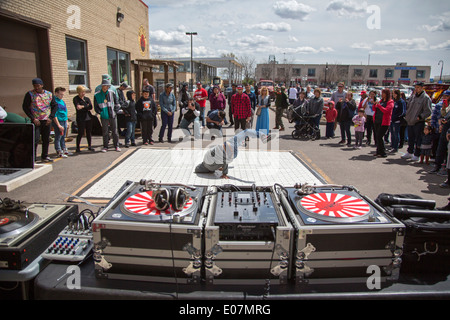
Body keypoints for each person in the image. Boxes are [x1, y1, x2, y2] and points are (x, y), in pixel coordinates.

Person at [194, 129, 271, 179]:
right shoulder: (206, 159)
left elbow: (223, 161)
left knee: (235, 146)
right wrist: (223, 171)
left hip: (231, 154)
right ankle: (263, 137)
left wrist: (224, 173)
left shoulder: (211, 167)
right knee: (246, 132)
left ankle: (241, 143)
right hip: (226, 145)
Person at [22, 78, 57, 162]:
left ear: (42, 85)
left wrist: (51, 117)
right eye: (34, 86)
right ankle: (32, 158)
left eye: (38, 86)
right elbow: (25, 107)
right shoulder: (30, 94)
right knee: (35, 140)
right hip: (36, 120)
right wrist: (33, 118)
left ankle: (44, 156)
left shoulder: (49, 94)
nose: (36, 88)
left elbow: (54, 106)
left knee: (46, 139)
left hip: (46, 120)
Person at [402, 82, 432, 161]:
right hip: (410, 120)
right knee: (410, 138)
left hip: (418, 122)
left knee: (418, 139)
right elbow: (408, 107)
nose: (416, 89)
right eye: (416, 87)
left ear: (422, 88)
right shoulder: (413, 97)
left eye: (418, 87)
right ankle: (410, 152)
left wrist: (420, 116)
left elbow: (428, 111)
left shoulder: (425, 98)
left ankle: (417, 154)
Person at [94, 79, 121, 153]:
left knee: (115, 131)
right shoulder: (97, 95)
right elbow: (96, 107)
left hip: (112, 115)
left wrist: (115, 111)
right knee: (105, 132)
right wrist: (101, 112)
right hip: (104, 116)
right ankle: (105, 146)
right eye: (104, 86)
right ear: (102, 86)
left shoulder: (112, 93)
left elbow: (117, 103)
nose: (106, 87)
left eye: (107, 86)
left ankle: (116, 145)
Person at [429, 90, 450, 174]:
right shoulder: (441, 105)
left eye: (447, 96)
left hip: (448, 129)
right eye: (444, 96)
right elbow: (443, 115)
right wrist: (444, 108)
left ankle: (445, 168)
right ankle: (437, 166)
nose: (444, 98)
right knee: (440, 148)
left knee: (447, 151)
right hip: (443, 128)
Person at [373, 89, 394, 158]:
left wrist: (379, 105)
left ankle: (383, 152)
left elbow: (386, 111)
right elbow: (374, 109)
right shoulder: (381, 101)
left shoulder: (390, 102)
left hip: (384, 122)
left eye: (383, 93)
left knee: (379, 136)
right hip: (377, 120)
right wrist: (375, 104)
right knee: (377, 137)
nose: (382, 94)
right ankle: (378, 151)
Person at [73, 85, 94, 153]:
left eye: (84, 92)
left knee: (89, 132)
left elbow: (90, 107)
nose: (83, 93)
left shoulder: (87, 99)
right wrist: (85, 106)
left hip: (88, 117)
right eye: (82, 92)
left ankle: (89, 146)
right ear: (78, 92)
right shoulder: (76, 99)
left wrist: (83, 106)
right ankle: (78, 147)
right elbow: (78, 108)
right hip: (81, 118)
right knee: (80, 132)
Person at [52, 87, 71, 158]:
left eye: (63, 94)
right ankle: (59, 151)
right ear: (56, 93)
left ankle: (64, 149)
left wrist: (67, 121)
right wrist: (58, 125)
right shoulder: (54, 102)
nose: (62, 96)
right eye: (60, 94)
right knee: (58, 136)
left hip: (64, 120)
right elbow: (54, 114)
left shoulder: (62, 101)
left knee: (63, 136)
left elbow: (65, 112)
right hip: (59, 121)